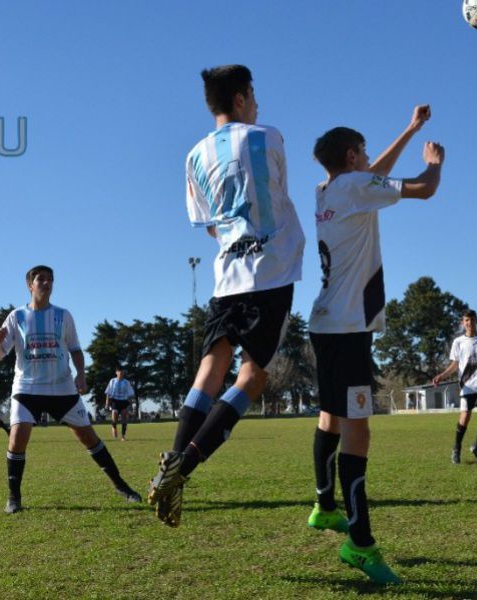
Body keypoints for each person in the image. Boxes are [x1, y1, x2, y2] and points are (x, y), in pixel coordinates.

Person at [147, 65, 305, 528]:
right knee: (252, 378)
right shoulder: (268, 136)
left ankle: (171, 461)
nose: (256, 103)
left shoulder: (193, 156)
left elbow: (208, 225)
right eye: (252, 95)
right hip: (270, 274)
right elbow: (277, 196)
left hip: (225, 276)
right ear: (239, 100)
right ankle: (185, 468)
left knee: (209, 371)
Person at [306, 106, 444, 585]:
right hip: (348, 331)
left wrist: (408, 130)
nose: (369, 157)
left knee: (331, 416)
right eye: (362, 150)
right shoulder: (355, 187)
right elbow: (424, 189)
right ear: (350, 154)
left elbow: (372, 175)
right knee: (358, 432)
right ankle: (360, 543)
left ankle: (325, 505)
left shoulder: (328, 189)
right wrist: (434, 160)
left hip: (325, 325)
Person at [0, 265, 141, 515]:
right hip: (27, 387)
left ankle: (121, 486)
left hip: (62, 387)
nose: (46, 283)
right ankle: (14, 497)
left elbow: (75, 349)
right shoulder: (16, 317)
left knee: (88, 437)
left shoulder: (63, 315)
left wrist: (81, 374)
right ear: (30, 285)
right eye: (41, 279)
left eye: (50, 279)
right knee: (17, 437)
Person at [433, 310, 477, 465]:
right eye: (466, 320)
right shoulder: (458, 342)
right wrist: (441, 376)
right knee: (465, 417)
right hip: (467, 385)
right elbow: (455, 364)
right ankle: (456, 449)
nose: (469, 323)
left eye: (472, 320)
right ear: (463, 323)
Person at [104, 368, 135, 440]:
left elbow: (130, 394)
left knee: (124, 418)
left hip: (124, 401)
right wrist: (107, 403)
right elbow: (108, 393)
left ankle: (123, 436)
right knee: (114, 417)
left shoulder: (126, 382)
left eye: (122, 372)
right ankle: (114, 427)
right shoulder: (112, 381)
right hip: (115, 401)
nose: (121, 373)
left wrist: (131, 404)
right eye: (119, 372)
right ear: (116, 372)